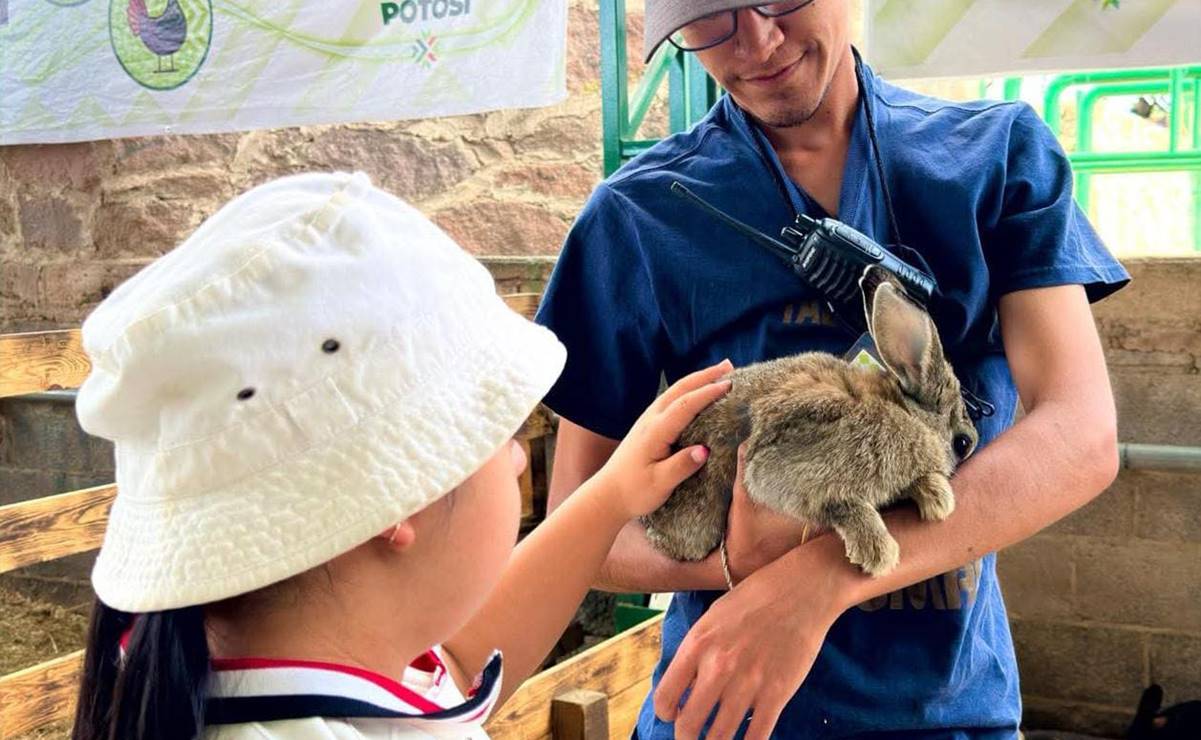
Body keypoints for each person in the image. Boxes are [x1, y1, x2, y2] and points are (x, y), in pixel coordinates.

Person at [534, 1, 1130, 738]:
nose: (754, 41)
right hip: (723, 711)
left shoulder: (993, 158)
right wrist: (729, 565)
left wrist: (815, 583)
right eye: (707, 19)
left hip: (945, 712)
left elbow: (1078, 436)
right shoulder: (637, 214)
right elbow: (579, 526)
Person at [68, 171, 733, 740]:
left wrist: (611, 496)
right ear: (397, 501)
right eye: (502, 433)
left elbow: (461, 667)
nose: (520, 462)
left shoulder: (233, 674)